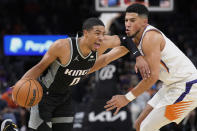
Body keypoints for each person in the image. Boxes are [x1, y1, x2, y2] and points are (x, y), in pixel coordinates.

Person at [1, 17, 150, 131]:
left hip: (64, 96)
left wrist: (138, 54)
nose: (101, 37)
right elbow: (40, 67)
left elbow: (124, 42)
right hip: (44, 95)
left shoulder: (99, 47)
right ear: (85, 33)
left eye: (103, 34)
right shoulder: (62, 46)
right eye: (97, 33)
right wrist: (22, 81)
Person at [104, 3, 197, 131]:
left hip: (189, 87)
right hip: (170, 86)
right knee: (138, 125)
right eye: (126, 20)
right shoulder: (135, 40)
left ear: (144, 22)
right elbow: (106, 53)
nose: (127, 24)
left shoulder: (150, 37)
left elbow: (152, 78)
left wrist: (126, 98)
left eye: (132, 20)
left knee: (146, 128)